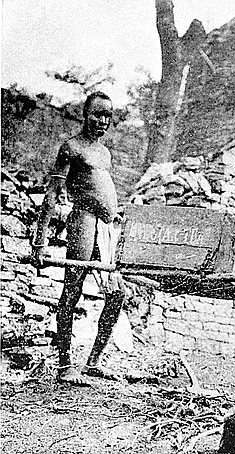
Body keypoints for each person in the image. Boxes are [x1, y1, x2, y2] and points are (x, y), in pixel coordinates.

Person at [32, 91, 125, 385]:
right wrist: (39, 241)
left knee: (117, 293)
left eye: (108, 116)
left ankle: (93, 362)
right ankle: (65, 365)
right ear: (85, 115)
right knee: (72, 290)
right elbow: (52, 195)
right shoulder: (71, 147)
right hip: (83, 221)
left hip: (106, 227)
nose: (103, 121)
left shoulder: (105, 153)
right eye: (97, 114)